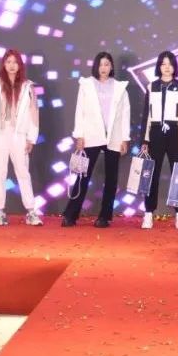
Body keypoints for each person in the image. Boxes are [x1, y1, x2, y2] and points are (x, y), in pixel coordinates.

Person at [63, 51, 131, 228]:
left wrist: (125, 138)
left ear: (111, 67)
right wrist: (79, 135)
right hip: (91, 135)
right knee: (82, 176)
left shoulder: (120, 87)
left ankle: (104, 217)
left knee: (111, 179)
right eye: (101, 64)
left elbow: (125, 114)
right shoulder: (86, 85)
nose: (104, 68)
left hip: (113, 136)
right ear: (96, 66)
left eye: (107, 64)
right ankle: (71, 214)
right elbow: (80, 111)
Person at [0, 49, 42, 227]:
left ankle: (31, 211)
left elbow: (34, 113)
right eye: (8, 62)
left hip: (19, 134)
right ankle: (0, 212)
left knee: (23, 172)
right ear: (3, 64)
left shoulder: (28, 86)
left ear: (20, 65)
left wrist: (31, 138)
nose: (12, 65)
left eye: (15, 62)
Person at [139, 51, 178, 230]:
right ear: (159, 66)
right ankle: (148, 213)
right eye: (163, 64)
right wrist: (144, 141)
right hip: (156, 134)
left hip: (176, 133)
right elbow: (146, 115)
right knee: (151, 174)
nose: (167, 67)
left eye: (170, 64)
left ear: (174, 66)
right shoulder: (151, 86)